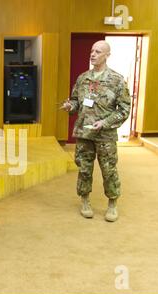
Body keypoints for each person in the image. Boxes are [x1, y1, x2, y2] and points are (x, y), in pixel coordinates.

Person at [61, 40, 131, 222]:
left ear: (107, 55)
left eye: (98, 52)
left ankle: (112, 204)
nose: (93, 54)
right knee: (84, 169)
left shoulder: (116, 80)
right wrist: (70, 106)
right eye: (92, 50)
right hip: (84, 133)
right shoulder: (83, 78)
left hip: (105, 135)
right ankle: (85, 201)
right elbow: (76, 101)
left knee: (108, 170)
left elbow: (124, 109)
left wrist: (105, 123)